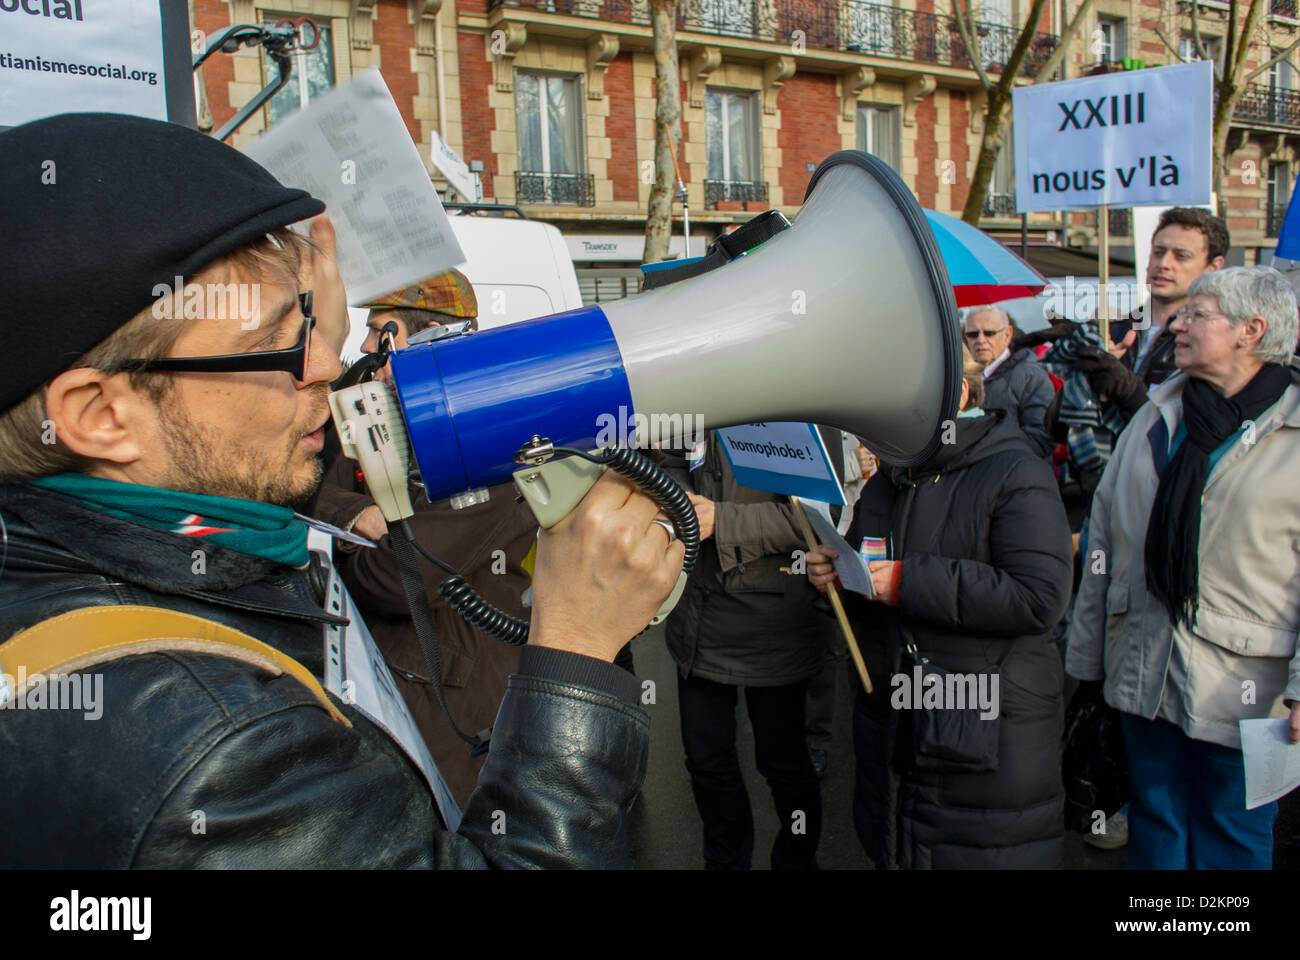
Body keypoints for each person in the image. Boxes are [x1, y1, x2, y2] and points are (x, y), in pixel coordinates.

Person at [0, 112, 680, 868]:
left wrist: (293, 305)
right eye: (273, 342)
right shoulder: (215, 757)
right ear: (99, 417)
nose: (327, 365)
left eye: (315, 325)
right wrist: (576, 653)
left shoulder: (96, 560)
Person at [1066, 266, 1300, 870]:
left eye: (1199, 313)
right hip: (1143, 674)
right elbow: (1103, 546)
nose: (1177, 323)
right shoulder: (1155, 416)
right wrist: (1087, 664)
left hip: (1251, 692)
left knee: (1234, 838)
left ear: (1253, 330)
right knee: (1157, 826)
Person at [806, 345, 1073, 868]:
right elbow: (869, 580)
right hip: (895, 734)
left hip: (986, 743)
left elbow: (1039, 597)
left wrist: (906, 581)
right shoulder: (890, 482)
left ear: (962, 396)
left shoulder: (1016, 472)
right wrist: (838, 579)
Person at [310, 272, 540, 807]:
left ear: (430, 334)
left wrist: (349, 532)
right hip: (394, 679)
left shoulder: (482, 437)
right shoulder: (387, 412)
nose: (366, 346)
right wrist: (361, 516)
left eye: (378, 331)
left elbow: (394, 579)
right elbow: (318, 495)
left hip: (451, 698)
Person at [659, 432, 835, 870]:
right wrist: (675, 495)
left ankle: (796, 859)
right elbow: (665, 460)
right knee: (706, 763)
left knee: (784, 766)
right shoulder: (692, 394)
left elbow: (818, 518)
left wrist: (722, 520)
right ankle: (725, 860)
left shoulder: (799, 404)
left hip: (772, 623)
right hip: (697, 621)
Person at [964, 306, 1055, 457]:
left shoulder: (1032, 377)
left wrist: (984, 449)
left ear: (1007, 334)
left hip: (1014, 473)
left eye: (989, 333)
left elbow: (1041, 440)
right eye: (973, 334)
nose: (980, 340)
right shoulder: (962, 377)